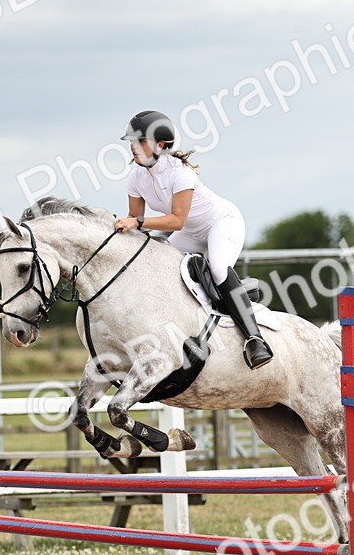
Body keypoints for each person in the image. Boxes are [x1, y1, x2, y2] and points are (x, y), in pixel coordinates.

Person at [112, 110, 273, 370]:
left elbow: (175, 220)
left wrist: (137, 222)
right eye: (131, 141)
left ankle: (256, 340)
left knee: (218, 269)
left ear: (160, 145)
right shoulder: (136, 177)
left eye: (139, 141)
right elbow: (135, 220)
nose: (132, 147)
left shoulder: (179, 173)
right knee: (161, 270)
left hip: (220, 223)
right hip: (190, 232)